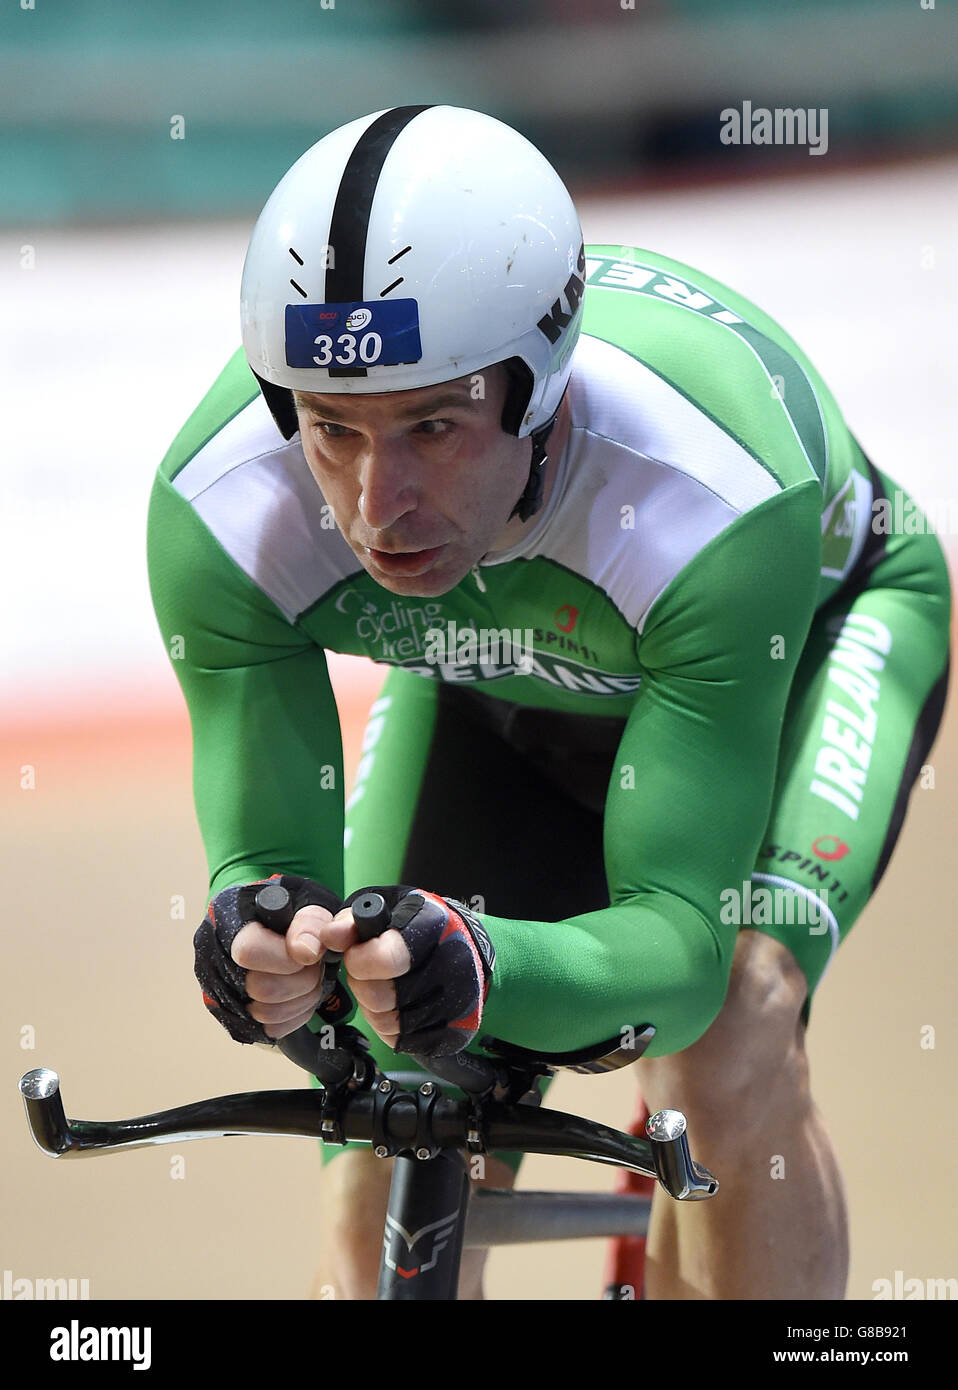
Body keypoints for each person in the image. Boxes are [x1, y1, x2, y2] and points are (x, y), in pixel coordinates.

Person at [147, 105, 951, 1300]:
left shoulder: (704, 494)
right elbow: (275, 871)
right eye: (331, 431)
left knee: (727, 1035)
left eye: (433, 425)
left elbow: (677, 954)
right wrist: (261, 946)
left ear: (541, 386)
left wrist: (482, 961)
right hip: (499, 681)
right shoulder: (221, 513)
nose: (378, 506)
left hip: (809, 641)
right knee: (391, 1081)